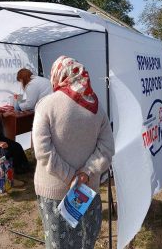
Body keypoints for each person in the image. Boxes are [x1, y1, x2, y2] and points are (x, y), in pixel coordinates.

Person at [32, 56, 115, 249]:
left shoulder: (47, 104)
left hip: (55, 190)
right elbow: (107, 148)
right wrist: (85, 173)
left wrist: (70, 176)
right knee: (85, 240)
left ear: (58, 75)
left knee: (59, 243)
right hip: (87, 190)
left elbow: (43, 151)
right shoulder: (96, 106)